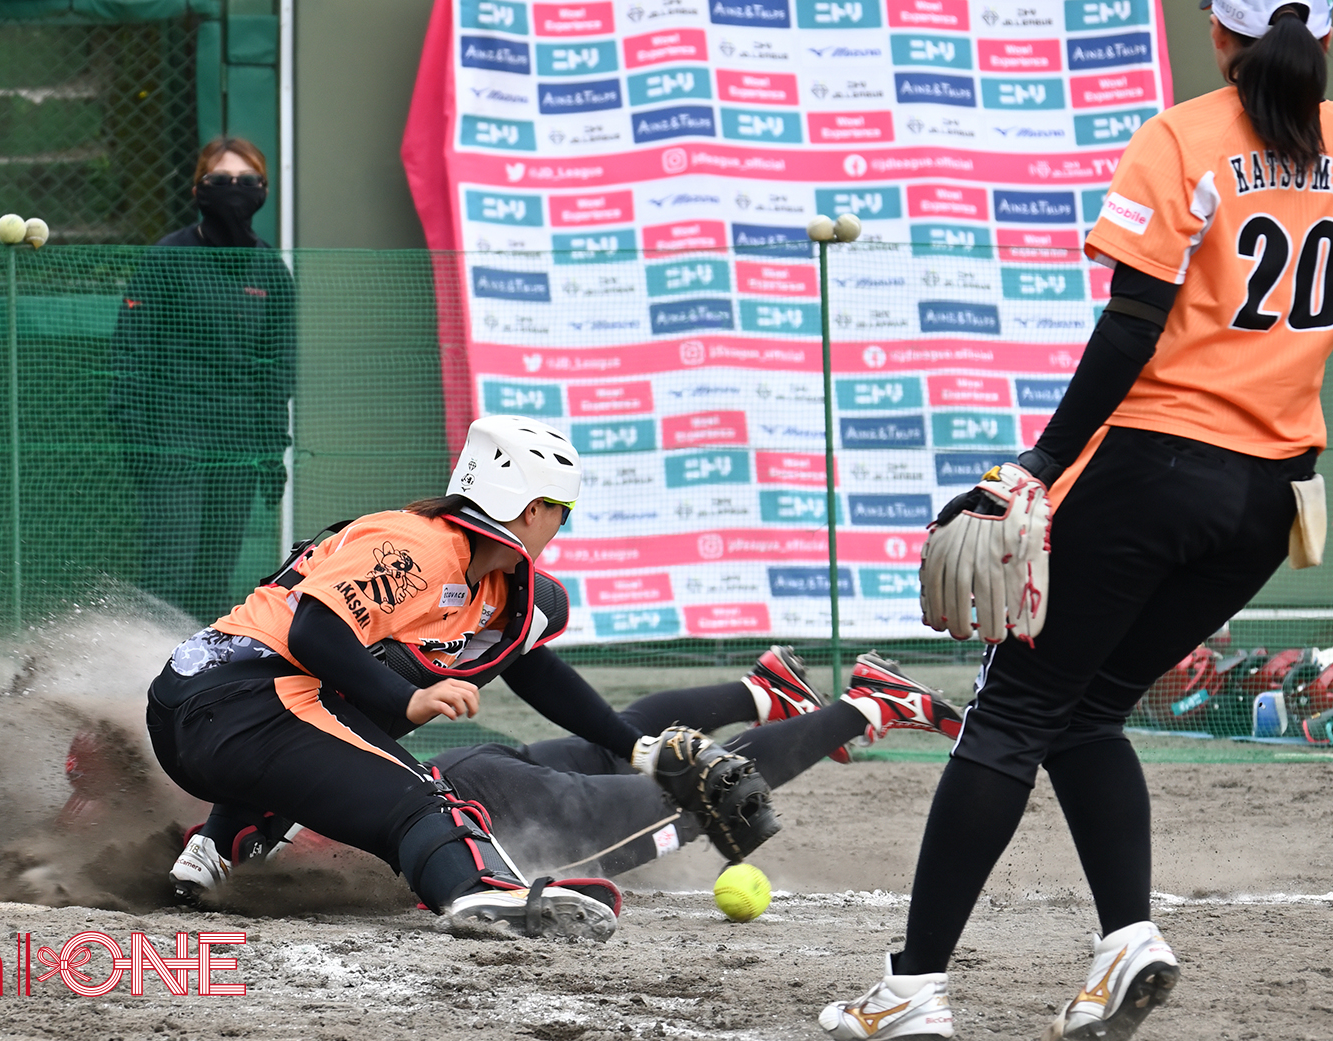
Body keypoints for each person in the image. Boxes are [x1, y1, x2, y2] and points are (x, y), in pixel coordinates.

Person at [821, 3, 1333, 1038]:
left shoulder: (1184, 136)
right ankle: (1125, 940)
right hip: (1274, 493)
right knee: (1089, 709)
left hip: (1157, 469)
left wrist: (1036, 465)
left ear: (1219, 35)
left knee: (1012, 714)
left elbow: (1133, 326)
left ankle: (911, 990)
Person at [147, 415, 792, 940]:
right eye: (561, 510)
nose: (560, 527)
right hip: (246, 701)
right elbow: (314, 630)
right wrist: (410, 696)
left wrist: (633, 746)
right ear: (533, 508)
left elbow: (536, 671)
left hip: (212, 707)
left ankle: (222, 840)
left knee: (365, 712)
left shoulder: (479, 575)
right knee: (424, 794)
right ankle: (478, 892)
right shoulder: (425, 544)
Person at [150, 647, 962, 884]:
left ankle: (867, 705)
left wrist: (207, 857)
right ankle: (767, 689)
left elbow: (229, 828)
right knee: (625, 745)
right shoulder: (258, 778)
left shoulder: (248, 808)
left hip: (487, 807)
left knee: (694, 796)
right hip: (471, 774)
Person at [110, 137, 296, 625]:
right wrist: (137, 437)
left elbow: (277, 371)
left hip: (236, 445)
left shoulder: (272, 272)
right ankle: (138, 681)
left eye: (247, 181)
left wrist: (272, 449)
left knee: (214, 577)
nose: (234, 191)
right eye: (221, 181)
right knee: (168, 568)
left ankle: (193, 688)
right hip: (171, 438)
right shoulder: (167, 257)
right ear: (197, 189)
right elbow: (130, 352)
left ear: (264, 191)